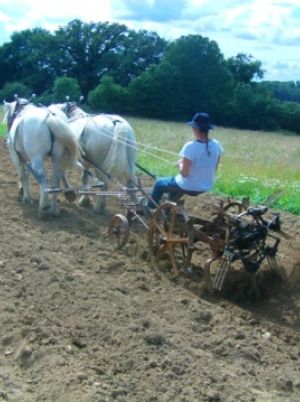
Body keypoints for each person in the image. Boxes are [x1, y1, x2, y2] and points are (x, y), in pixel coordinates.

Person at [147, 112, 223, 209]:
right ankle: (168, 209)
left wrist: (180, 164)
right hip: (207, 185)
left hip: (190, 185)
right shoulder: (216, 145)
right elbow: (214, 167)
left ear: (196, 128)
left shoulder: (190, 146)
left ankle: (150, 208)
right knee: (174, 187)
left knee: (159, 183)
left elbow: (184, 174)